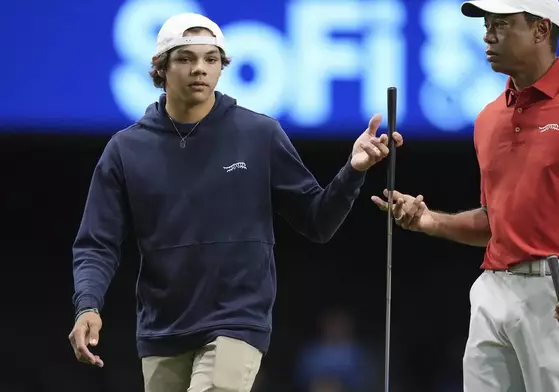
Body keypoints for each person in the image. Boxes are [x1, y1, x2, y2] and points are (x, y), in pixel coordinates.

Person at [68, 12, 403, 392]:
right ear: (160, 68)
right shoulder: (125, 150)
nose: (200, 69)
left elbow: (317, 221)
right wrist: (88, 306)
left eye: (211, 59)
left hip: (236, 321)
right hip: (162, 329)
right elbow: (97, 242)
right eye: (186, 59)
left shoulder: (259, 134)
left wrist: (353, 170)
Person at [373, 0, 559, 391]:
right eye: (487, 24)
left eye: (501, 24)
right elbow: (496, 222)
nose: (487, 35)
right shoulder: (489, 119)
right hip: (493, 292)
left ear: (541, 29)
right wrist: (429, 220)